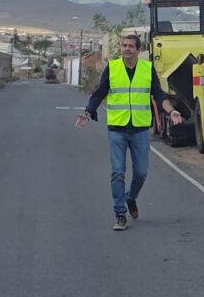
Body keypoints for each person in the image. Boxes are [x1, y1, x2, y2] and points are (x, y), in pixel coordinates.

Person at [76, 35, 182, 230]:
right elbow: (99, 93)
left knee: (141, 173)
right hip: (117, 129)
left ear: (138, 49)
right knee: (117, 172)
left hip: (140, 130)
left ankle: (131, 198)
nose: (127, 49)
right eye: (124, 45)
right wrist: (87, 112)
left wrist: (171, 110)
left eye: (131, 46)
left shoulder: (147, 69)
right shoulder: (113, 67)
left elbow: (159, 95)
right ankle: (120, 214)